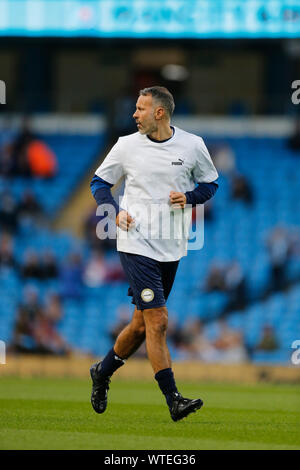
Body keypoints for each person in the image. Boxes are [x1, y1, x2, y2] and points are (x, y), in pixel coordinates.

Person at [89, 86, 219, 421]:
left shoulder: (192, 145)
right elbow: (99, 183)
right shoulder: (126, 146)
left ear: (159, 113)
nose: (134, 114)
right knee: (158, 321)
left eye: (140, 109)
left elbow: (209, 184)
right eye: (136, 108)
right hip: (135, 243)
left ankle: (102, 373)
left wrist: (189, 198)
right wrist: (113, 211)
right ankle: (173, 399)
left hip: (171, 246)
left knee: (140, 325)